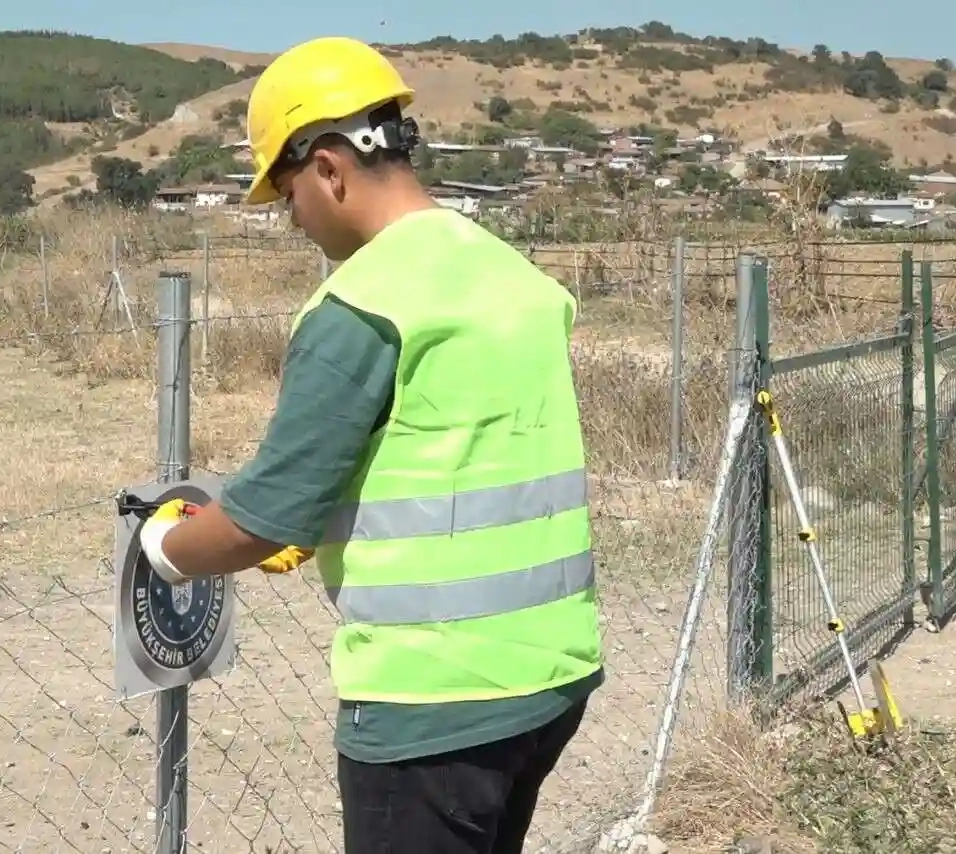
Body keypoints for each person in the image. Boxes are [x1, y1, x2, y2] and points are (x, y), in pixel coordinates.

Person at [134, 35, 605, 854]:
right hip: (552, 676)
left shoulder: (363, 304)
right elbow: (450, 448)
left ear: (327, 167)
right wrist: (327, 523)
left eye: (286, 193)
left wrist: (164, 548)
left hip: (433, 703)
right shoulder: (511, 275)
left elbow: (262, 520)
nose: (292, 217)